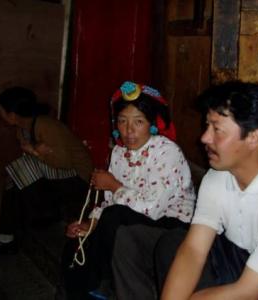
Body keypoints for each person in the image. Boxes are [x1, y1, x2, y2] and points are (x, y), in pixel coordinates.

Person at [112, 81, 258, 299]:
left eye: (217, 129)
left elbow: (248, 289)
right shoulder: (218, 176)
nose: (204, 137)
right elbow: (194, 250)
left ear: (253, 137)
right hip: (228, 258)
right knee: (168, 243)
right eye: (207, 126)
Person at [61, 81, 196, 300]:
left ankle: (100, 285)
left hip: (170, 228)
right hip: (125, 221)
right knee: (75, 245)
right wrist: (90, 223)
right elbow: (109, 202)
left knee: (115, 218)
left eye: (138, 122)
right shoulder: (118, 153)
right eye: (122, 121)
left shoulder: (167, 152)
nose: (129, 130)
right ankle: (81, 291)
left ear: (152, 123)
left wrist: (113, 185)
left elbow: (151, 209)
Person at [0, 86, 93, 256]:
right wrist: (36, 151)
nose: (0, 114)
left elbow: (64, 162)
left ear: (12, 114)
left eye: (2, 110)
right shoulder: (22, 128)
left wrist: (34, 151)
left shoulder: (44, 125)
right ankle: (12, 233)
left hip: (79, 181)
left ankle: (12, 234)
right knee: (16, 176)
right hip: (59, 178)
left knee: (21, 168)